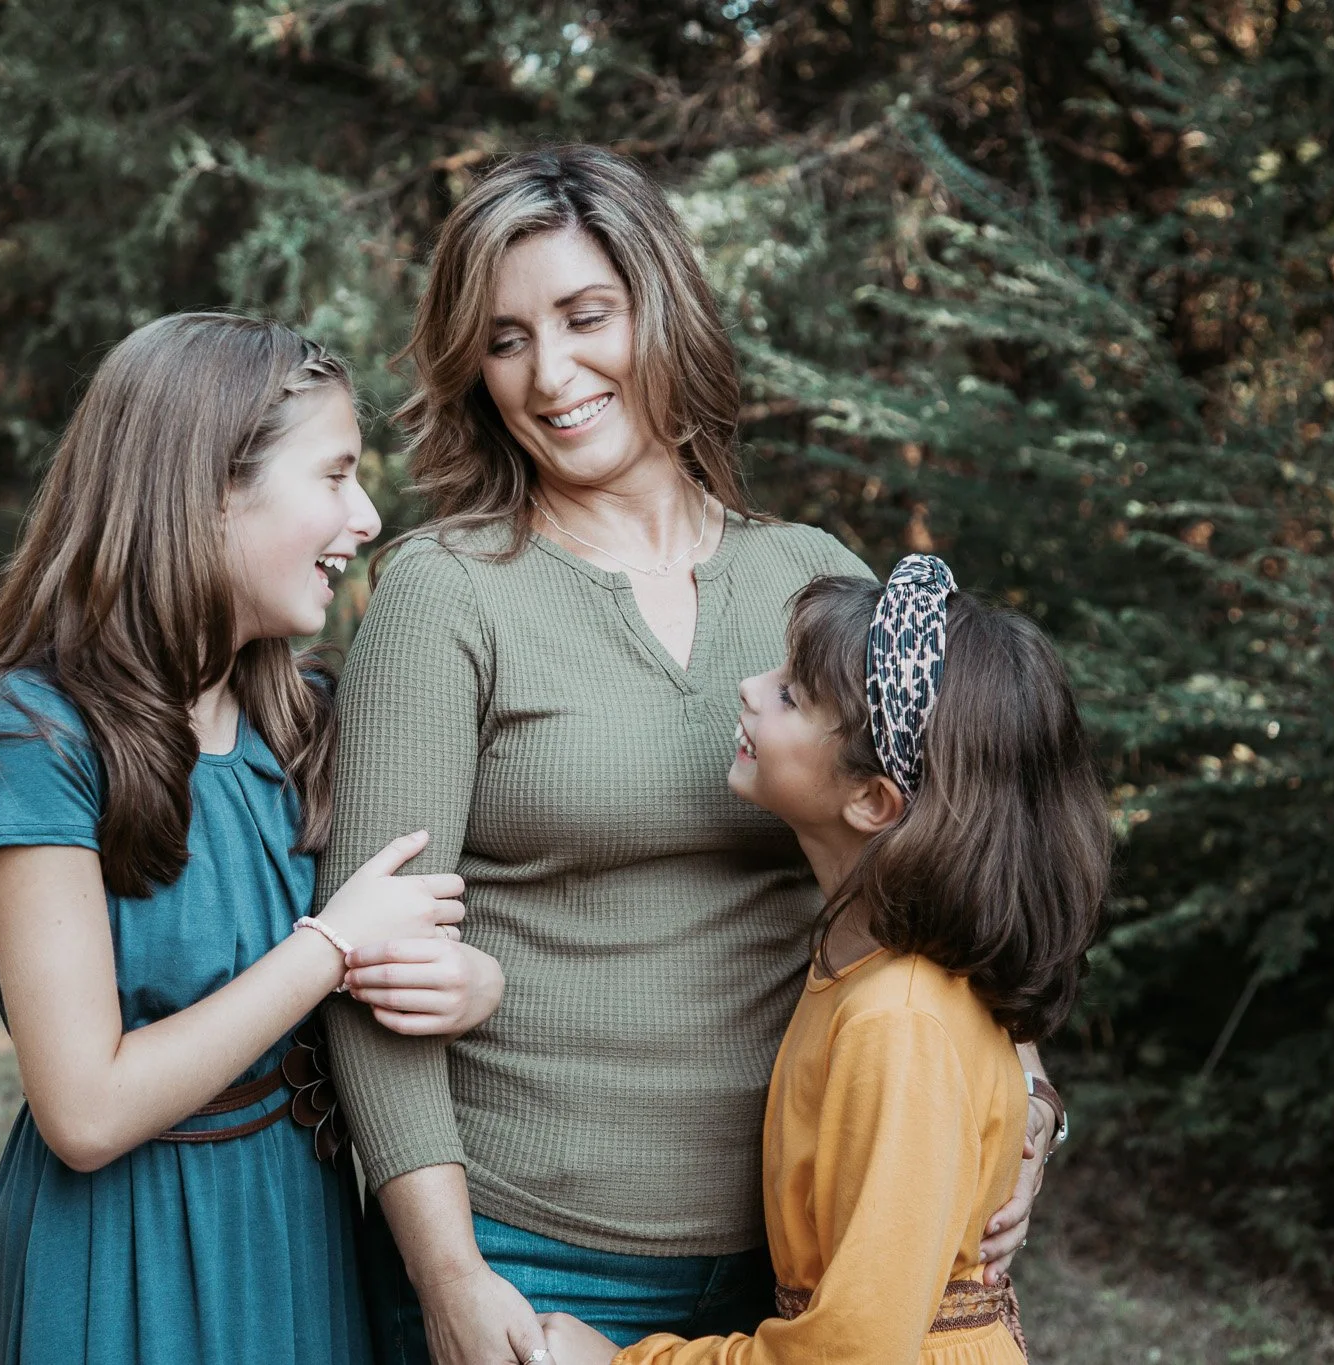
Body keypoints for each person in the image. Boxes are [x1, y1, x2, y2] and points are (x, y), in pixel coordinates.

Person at [320, 145, 1064, 1365]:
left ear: (657, 308)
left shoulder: (808, 581)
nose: (549, 373)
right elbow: (374, 967)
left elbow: (946, 842)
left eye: (583, 316)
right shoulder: (443, 596)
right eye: (505, 339)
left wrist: (1024, 1094)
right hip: (530, 1245)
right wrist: (447, 1275)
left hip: (803, 1253)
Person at [0, 312, 505, 1365]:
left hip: (302, 1223)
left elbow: (400, 953)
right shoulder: (31, 735)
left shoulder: (307, 722)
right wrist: (328, 948)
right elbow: (86, 1107)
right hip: (123, 1249)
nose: (368, 516)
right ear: (206, 492)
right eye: (334, 476)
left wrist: (472, 987)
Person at [537, 555, 1113, 1364]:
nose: (747, 685)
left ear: (872, 799)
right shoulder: (863, 968)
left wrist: (622, 1362)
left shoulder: (897, 1022)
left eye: (790, 695)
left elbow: (851, 1353)